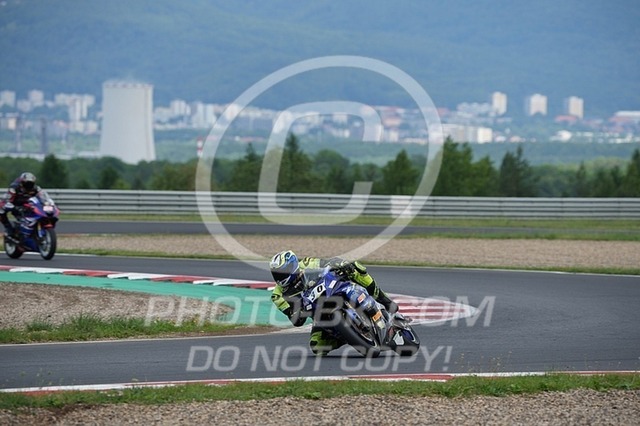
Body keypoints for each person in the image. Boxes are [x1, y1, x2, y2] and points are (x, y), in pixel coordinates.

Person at [269, 249, 399, 356]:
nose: (279, 277)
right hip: (318, 313)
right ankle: (350, 335)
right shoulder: (278, 295)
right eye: (276, 274)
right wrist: (298, 312)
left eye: (281, 272)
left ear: (292, 266)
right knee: (317, 346)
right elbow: (296, 320)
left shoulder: (307, 263)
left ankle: (383, 299)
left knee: (354, 267)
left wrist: (339, 263)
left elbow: (327, 262)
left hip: (332, 288)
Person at [0, 172, 42, 237]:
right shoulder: (14, 187)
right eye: (27, 183)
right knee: (1, 209)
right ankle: (8, 228)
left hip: (30, 205)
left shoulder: (36, 188)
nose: (29, 185)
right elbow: (7, 199)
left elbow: (43, 197)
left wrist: (47, 203)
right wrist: (13, 206)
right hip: (16, 205)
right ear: (22, 182)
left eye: (31, 183)